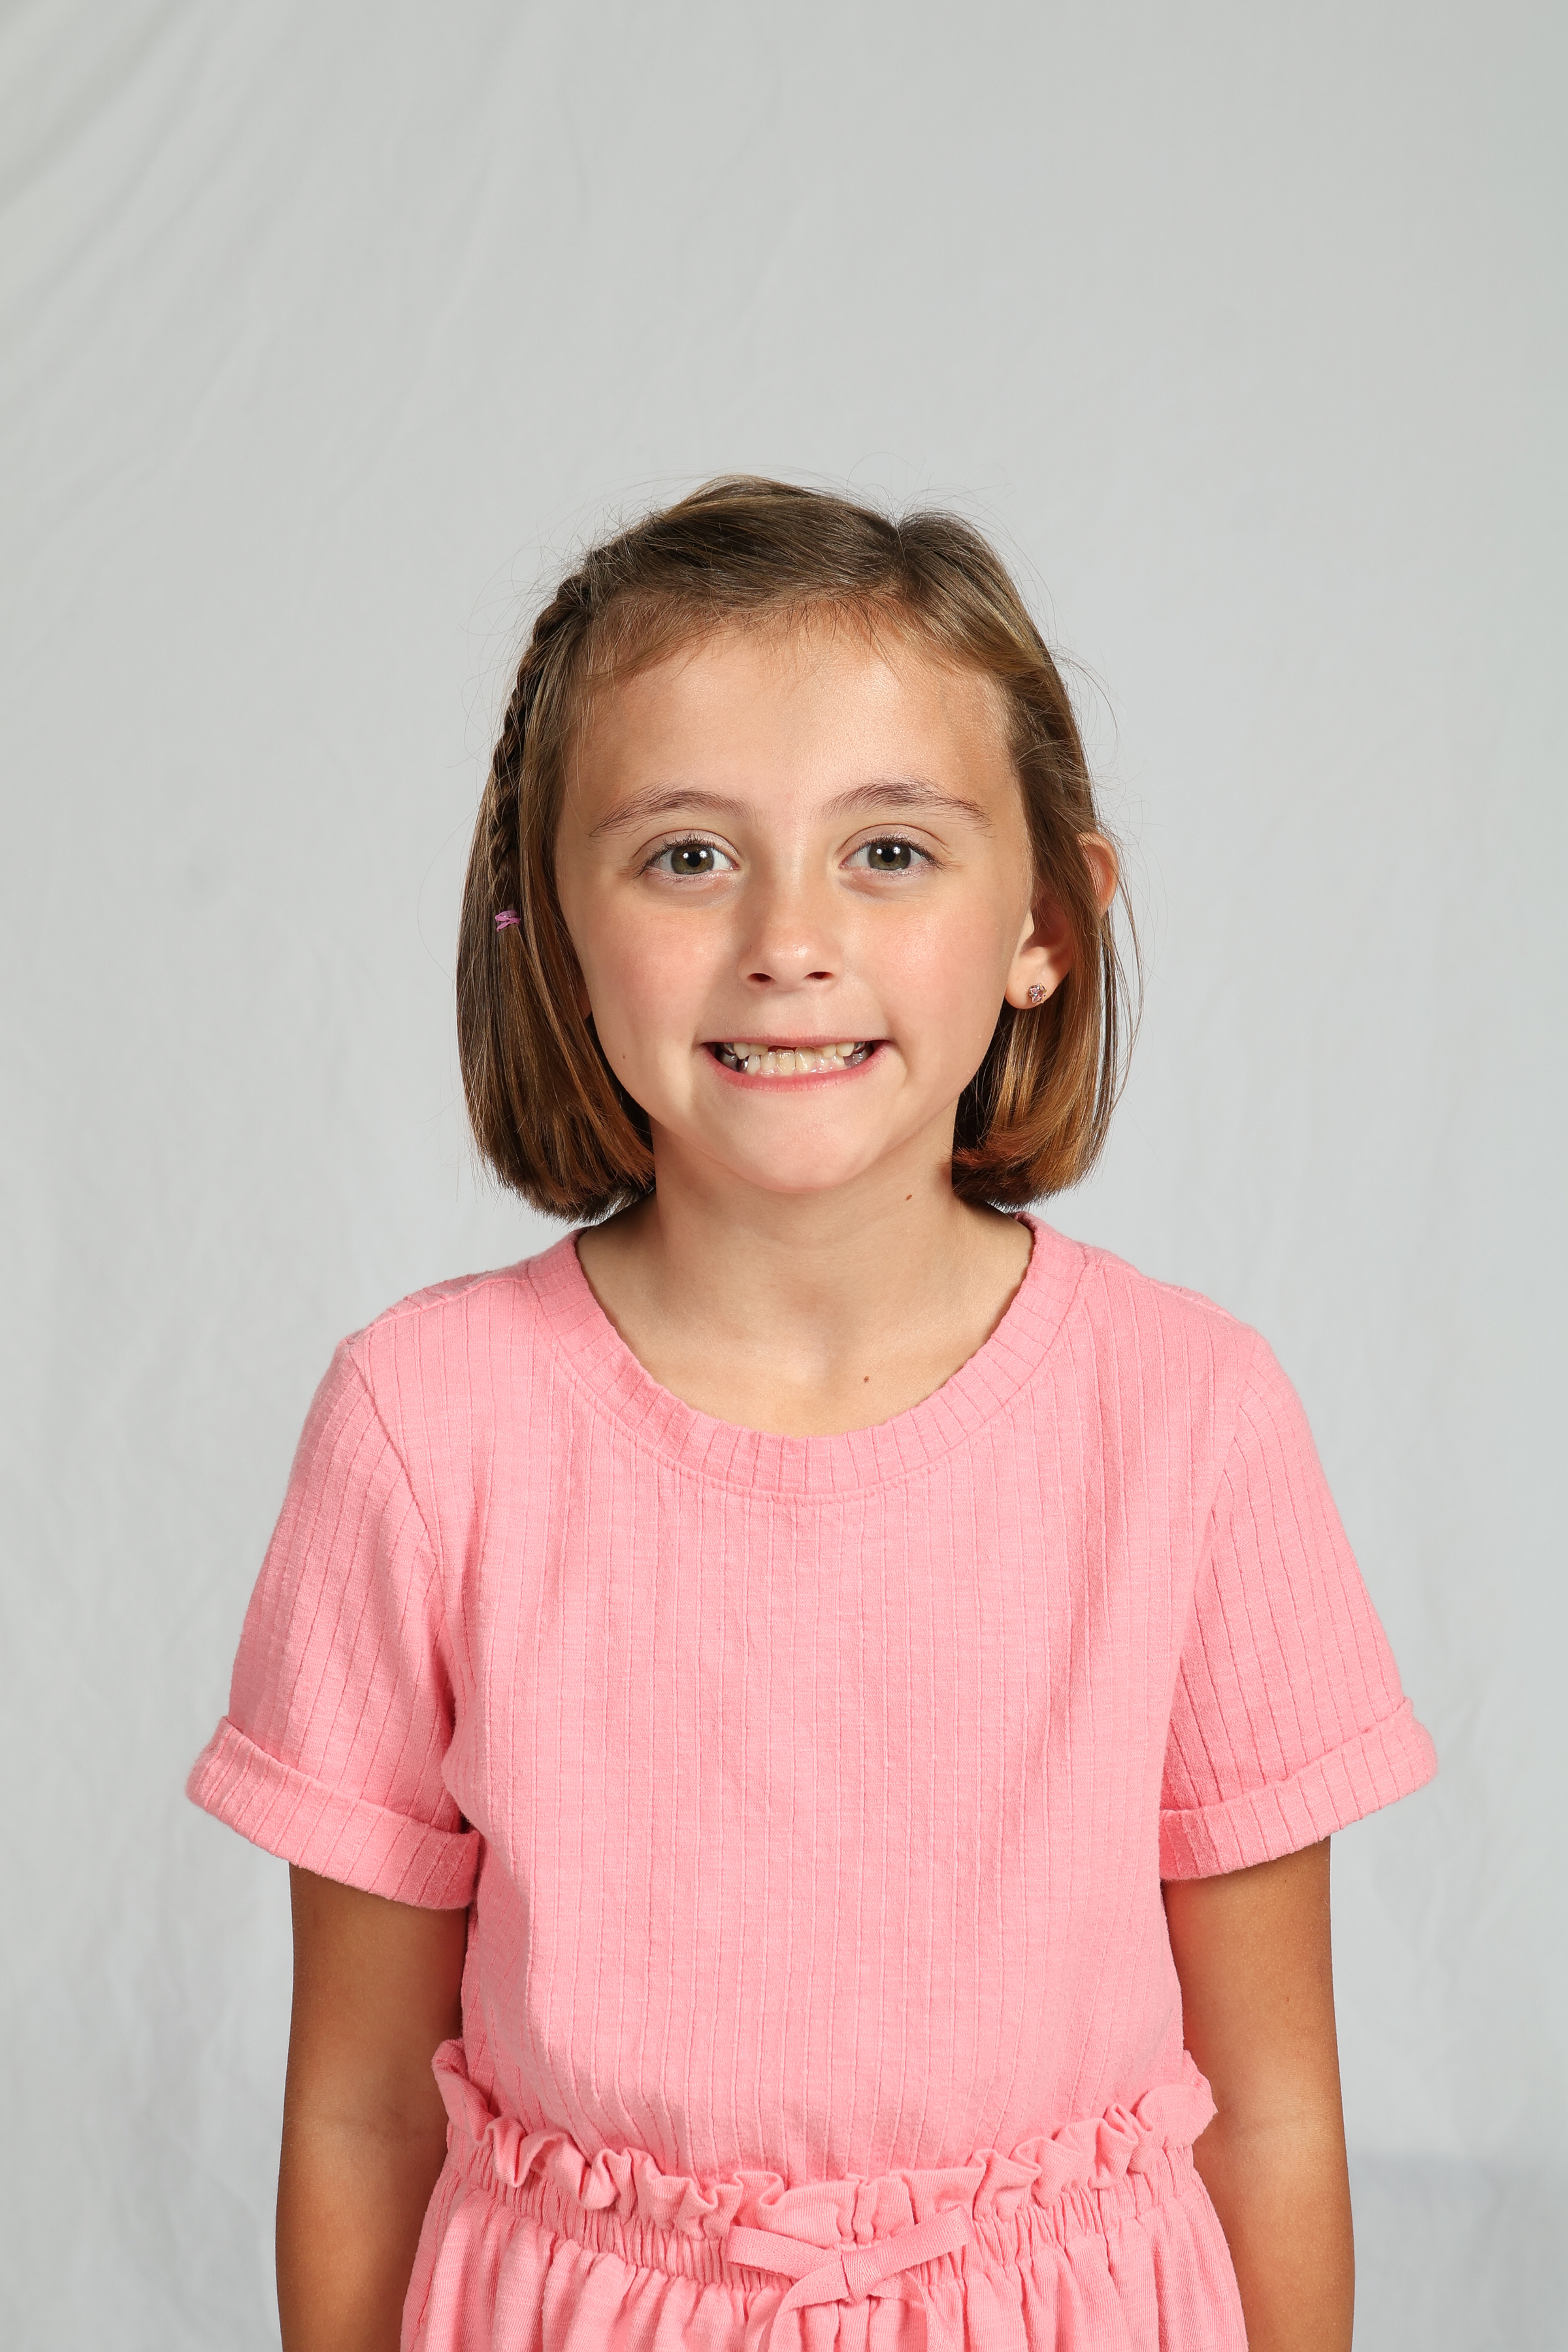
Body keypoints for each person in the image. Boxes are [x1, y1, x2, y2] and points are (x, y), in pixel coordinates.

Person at [188, 478, 1437, 2352]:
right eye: (689, 855)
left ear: (1048, 922)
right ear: (547, 926)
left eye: (891, 852)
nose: (790, 937)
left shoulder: (1191, 1421)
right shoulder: (423, 1429)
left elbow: (1271, 2113)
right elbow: (361, 2112)